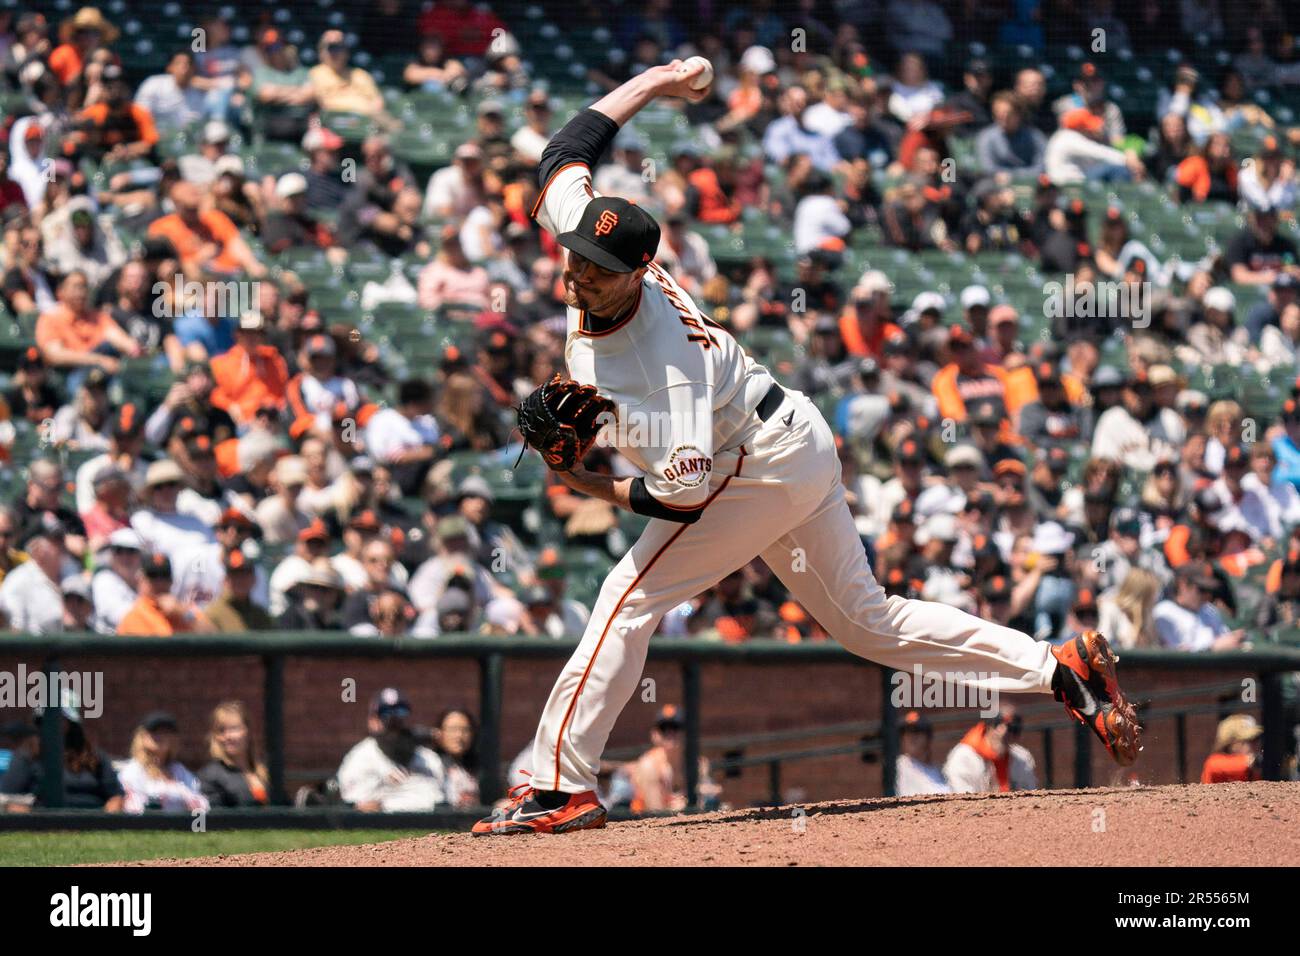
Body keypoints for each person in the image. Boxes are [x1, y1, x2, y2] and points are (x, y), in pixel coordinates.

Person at [473, 61, 1139, 837]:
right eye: (579, 254)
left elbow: (685, 495)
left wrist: (584, 483)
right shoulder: (582, 231)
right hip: (790, 437)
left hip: (750, 459)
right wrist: (656, 80)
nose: (580, 272)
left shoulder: (664, 367)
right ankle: (1058, 668)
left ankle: (561, 785)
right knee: (868, 624)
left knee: (629, 597)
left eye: (601, 268)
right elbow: (570, 147)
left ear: (641, 273)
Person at [0, 691, 122, 810]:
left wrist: (103, 821)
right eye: (49, 717)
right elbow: (8, 800)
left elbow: (116, 797)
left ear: (72, 723)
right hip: (45, 825)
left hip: (93, 823)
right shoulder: (27, 756)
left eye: (60, 718)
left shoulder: (93, 755)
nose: (54, 723)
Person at [337, 688, 447, 811]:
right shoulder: (359, 758)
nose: (393, 719)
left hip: (429, 825)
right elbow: (355, 805)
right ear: (372, 720)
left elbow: (442, 802)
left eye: (399, 711)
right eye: (385, 712)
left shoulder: (428, 758)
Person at [117, 711, 210, 813]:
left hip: (182, 826)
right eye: (154, 731)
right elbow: (133, 808)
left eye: (166, 732)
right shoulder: (133, 770)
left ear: (174, 739)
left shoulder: (178, 770)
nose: (160, 736)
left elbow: (202, 803)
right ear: (142, 736)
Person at [942, 706, 1038, 793]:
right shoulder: (963, 757)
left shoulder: (1021, 757)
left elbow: (1030, 792)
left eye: (1016, 730)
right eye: (1009, 728)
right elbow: (964, 799)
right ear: (990, 726)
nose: (1012, 735)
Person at [1153, 561, 1245, 651]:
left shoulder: (1209, 610)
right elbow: (1177, 659)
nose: (1207, 596)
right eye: (1202, 590)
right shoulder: (1164, 613)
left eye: (1210, 591)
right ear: (1183, 585)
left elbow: (1224, 638)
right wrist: (1212, 649)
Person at [117, 553, 215, 636]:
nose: (160, 583)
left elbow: (213, 635)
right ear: (140, 579)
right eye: (153, 577)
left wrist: (183, 613)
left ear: (172, 581)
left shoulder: (182, 610)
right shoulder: (134, 616)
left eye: (164, 576)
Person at [197, 701, 271, 807]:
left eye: (234, 729)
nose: (228, 736)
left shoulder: (264, 770)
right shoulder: (211, 775)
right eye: (221, 730)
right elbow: (211, 819)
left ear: (248, 732)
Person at [894, 710, 951, 796]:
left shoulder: (938, 770)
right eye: (906, 732)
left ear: (928, 738)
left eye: (917, 731)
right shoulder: (898, 767)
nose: (911, 737)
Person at [432, 707, 480, 808]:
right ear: (439, 733)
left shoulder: (480, 768)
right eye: (452, 729)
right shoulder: (429, 764)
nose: (459, 736)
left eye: (465, 730)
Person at [1200, 714, 1263, 784]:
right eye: (1249, 740)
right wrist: (1255, 762)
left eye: (1257, 739)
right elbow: (1212, 766)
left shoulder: (1256, 768)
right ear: (1230, 744)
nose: (1256, 744)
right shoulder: (1215, 763)